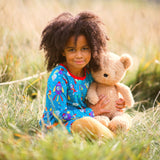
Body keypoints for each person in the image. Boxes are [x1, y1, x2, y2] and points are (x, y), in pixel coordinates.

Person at [39, 11, 125, 140]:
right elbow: (59, 114)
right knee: (85, 123)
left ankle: (106, 131)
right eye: (72, 50)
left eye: (85, 48)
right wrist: (92, 111)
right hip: (58, 126)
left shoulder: (90, 72)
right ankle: (112, 139)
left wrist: (116, 102)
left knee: (122, 118)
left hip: (90, 117)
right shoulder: (59, 76)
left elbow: (102, 91)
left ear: (93, 47)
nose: (79, 55)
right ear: (62, 51)